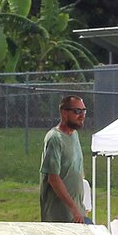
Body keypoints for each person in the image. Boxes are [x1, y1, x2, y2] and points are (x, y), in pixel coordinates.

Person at [39, 95, 87, 223]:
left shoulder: (74, 135)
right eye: (77, 111)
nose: (82, 115)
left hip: (77, 213)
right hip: (60, 216)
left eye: (84, 111)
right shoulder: (55, 138)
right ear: (64, 113)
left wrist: (81, 208)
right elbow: (53, 178)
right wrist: (73, 209)